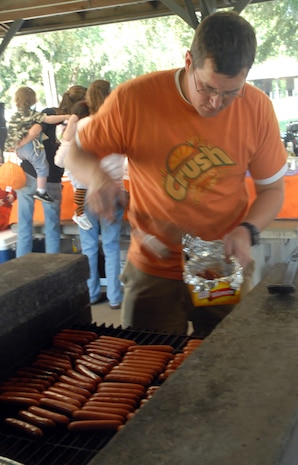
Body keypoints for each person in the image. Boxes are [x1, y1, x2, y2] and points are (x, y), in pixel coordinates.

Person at [66, 12, 288, 336]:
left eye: (231, 92)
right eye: (208, 88)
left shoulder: (258, 108)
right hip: (153, 265)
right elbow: (75, 152)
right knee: (145, 363)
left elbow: (272, 191)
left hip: (221, 266)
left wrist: (247, 230)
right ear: (188, 61)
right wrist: (99, 178)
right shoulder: (135, 99)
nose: (216, 102)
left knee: (221, 362)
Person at [66, 79, 127, 308]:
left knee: (89, 247)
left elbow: (67, 160)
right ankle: (115, 297)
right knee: (112, 247)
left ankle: (91, 294)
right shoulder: (118, 123)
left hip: (85, 194)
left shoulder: (81, 126)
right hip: (114, 191)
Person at [15, 85, 87, 257]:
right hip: (52, 179)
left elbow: (31, 133)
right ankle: (52, 272)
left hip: (28, 173)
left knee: (24, 226)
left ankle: (19, 270)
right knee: (52, 228)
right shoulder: (79, 123)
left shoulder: (49, 113)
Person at [4, 86, 69, 203]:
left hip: (19, 150)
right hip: (30, 147)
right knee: (42, 168)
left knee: (36, 165)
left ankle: (40, 187)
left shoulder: (14, 116)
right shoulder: (32, 114)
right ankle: (41, 191)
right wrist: (66, 117)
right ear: (33, 100)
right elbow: (49, 120)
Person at [54, 100, 92, 230]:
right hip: (72, 163)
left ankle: (80, 212)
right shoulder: (76, 126)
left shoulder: (74, 126)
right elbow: (66, 138)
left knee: (81, 187)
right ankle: (79, 212)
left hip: (73, 162)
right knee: (81, 186)